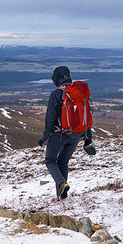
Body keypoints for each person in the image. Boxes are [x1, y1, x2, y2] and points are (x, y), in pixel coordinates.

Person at [38, 66, 93, 200]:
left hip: (60, 134)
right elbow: (86, 116)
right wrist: (88, 138)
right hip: (76, 134)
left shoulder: (56, 94)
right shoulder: (79, 92)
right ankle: (62, 196)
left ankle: (61, 183)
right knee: (63, 162)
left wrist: (44, 137)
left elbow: (50, 120)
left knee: (50, 160)